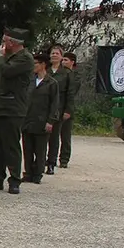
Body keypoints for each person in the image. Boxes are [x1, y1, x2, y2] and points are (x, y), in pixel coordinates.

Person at [0, 28, 34, 195]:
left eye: (5, 41)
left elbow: (7, 71)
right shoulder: (10, 57)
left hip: (13, 107)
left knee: (11, 144)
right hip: (0, 106)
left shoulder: (25, 58)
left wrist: (1, 57)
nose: (3, 45)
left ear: (12, 43)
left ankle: (14, 179)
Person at [23, 53, 60, 184]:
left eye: (36, 63)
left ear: (43, 65)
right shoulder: (30, 81)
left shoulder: (52, 83)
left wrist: (50, 121)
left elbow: (54, 104)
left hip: (42, 120)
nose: (33, 66)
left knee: (40, 149)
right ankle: (28, 172)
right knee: (27, 149)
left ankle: (38, 173)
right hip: (28, 119)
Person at [45, 44, 74, 175]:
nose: (54, 55)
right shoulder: (45, 70)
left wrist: (68, 110)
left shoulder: (66, 73)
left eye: (57, 53)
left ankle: (51, 162)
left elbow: (70, 93)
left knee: (54, 137)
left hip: (58, 108)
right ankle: (39, 161)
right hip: (43, 107)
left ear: (61, 56)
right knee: (40, 137)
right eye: (52, 53)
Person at [57, 52, 78, 168]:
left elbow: (71, 93)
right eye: (63, 60)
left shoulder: (75, 76)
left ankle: (64, 159)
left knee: (65, 136)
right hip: (57, 107)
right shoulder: (59, 73)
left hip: (68, 108)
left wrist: (68, 110)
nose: (63, 62)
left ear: (72, 62)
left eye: (66, 60)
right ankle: (51, 158)